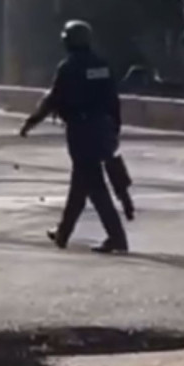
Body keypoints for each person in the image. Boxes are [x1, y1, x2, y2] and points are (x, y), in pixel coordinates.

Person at [20, 21, 129, 254]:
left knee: (94, 186)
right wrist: (115, 128)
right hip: (102, 129)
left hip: (81, 132)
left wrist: (30, 123)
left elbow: (52, 100)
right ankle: (63, 233)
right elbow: (113, 100)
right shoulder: (102, 65)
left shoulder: (68, 67)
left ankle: (116, 237)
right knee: (81, 185)